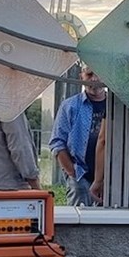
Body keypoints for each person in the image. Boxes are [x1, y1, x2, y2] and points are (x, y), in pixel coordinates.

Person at [48, 65, 106, 206]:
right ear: (81, 77)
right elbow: (57, 142)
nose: (94, 79)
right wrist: (72, 172)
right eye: (89, 74)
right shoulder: (70, 106)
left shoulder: (117, 107)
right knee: (78, 217)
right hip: (80, 177)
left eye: (98, 73)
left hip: (110, 179)